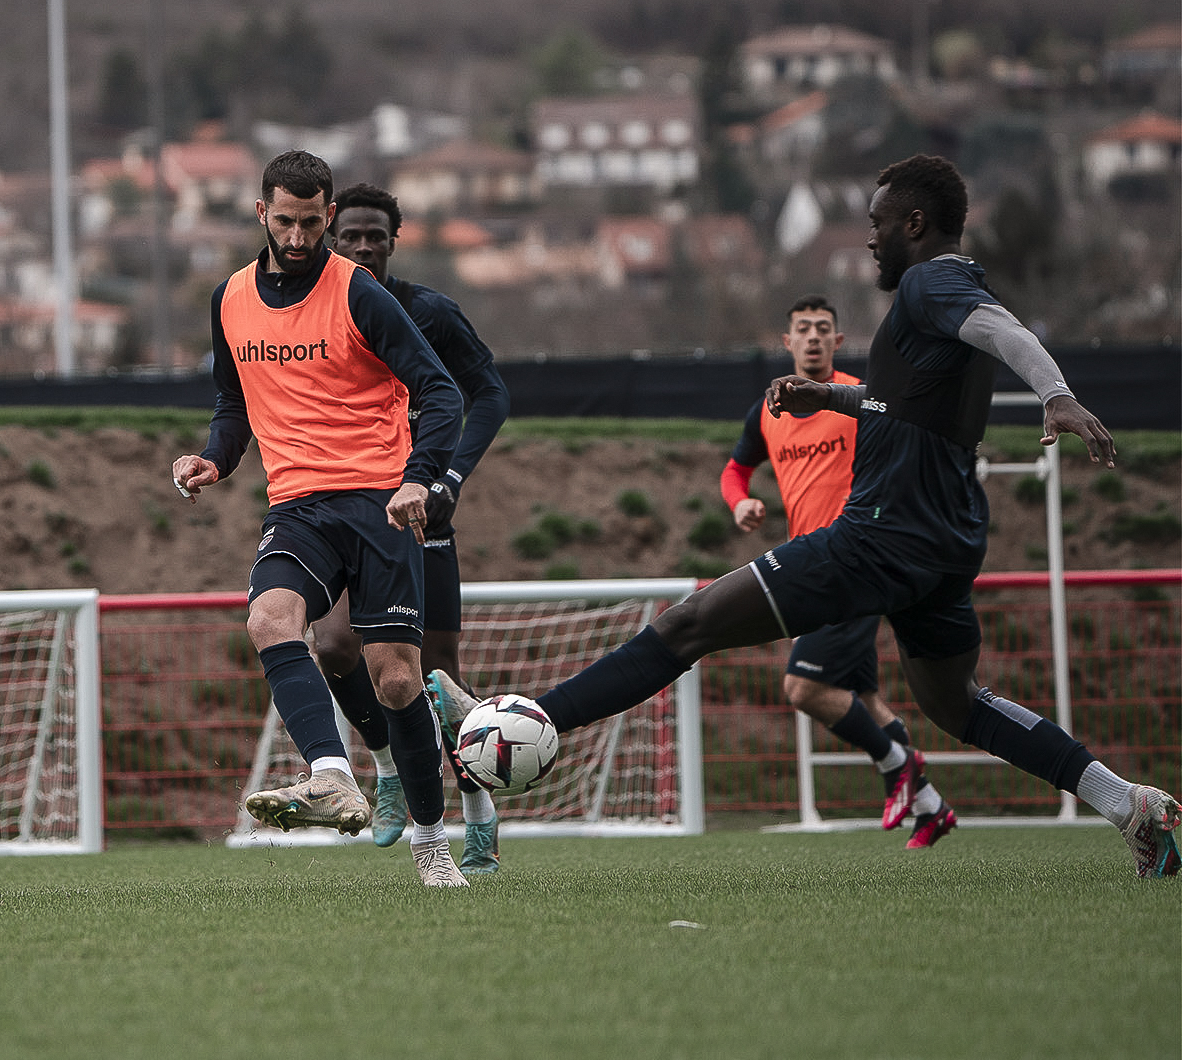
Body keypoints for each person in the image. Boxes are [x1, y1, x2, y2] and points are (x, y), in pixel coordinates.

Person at [430, 154, 1180, 879]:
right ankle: (1129, 804)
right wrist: (834, 399)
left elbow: (1005, 331)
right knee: (955, 704)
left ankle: (530, 721)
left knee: (690, 624)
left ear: (914, 223)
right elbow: (906, 405)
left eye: (878, 222)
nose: (868, 237)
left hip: (882, 534)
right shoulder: (931, 304)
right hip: (947, 539)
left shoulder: (931, 284)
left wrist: (1055, 392)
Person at [171, 150, 472, 887]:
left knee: (398, 682)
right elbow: (233, 403)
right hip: (299, 504)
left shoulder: (361, 293)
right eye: (286, 221)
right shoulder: (230, 299)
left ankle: (433, 839)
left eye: (312, 222)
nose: (300, 237)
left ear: (329, 215)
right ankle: (332, 774)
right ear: (260, 214)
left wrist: (419, 480)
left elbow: (441, 391)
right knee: (270, 620)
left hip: (377, 502)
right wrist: (214, 457)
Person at [311, 182, 511, 873]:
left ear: (395, 241)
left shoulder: (429, 312)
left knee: (439, 674)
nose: (364, 247)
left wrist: (448, 479)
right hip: (345, 507)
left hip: (419, 511)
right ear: (332, 236)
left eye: (377, 236)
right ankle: (388, 765)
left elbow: (487, 393)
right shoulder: (317, 312)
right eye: (352, 236)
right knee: (334, 644)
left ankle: (480, 812)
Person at [723, 294, 956, 847]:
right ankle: (929, 804)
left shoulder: (860, 399)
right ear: (786, 342)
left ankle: (895, 763)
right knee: (866, 700)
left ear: (837, 340)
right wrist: (740, 503)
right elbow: (736, 469)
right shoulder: (769, 408)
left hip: (856, 561)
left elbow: (908, 448)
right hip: (813, 566)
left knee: (803, 687)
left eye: (822, 328)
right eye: (801, 328)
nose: (811, 337)